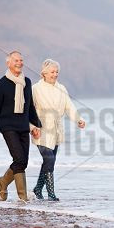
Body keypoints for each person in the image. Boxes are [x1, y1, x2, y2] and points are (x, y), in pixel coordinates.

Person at [0, 51, 42, 201]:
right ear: (8, 63)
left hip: (23, 126)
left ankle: (3, 182)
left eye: (21, 60)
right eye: (16, 60)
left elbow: (30, 106)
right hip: (8, 127)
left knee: (23, 161)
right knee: (19, 158)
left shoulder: (27, 82)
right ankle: (23, 198)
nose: (19, 63)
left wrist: (36, 126)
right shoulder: (1, 84)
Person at [30, 58, 85, 201]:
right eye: (52, 72)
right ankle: (51, 194)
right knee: (49, 158)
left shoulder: (62, 88)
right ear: (44, 73)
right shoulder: (36, 88)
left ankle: (37, 189)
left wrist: (78, 119)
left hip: (57, 130)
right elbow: (29, 109)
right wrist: (32, 127)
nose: (55, 74)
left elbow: (69, 106)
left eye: (57, 71)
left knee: (49, 161)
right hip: (40, 128)